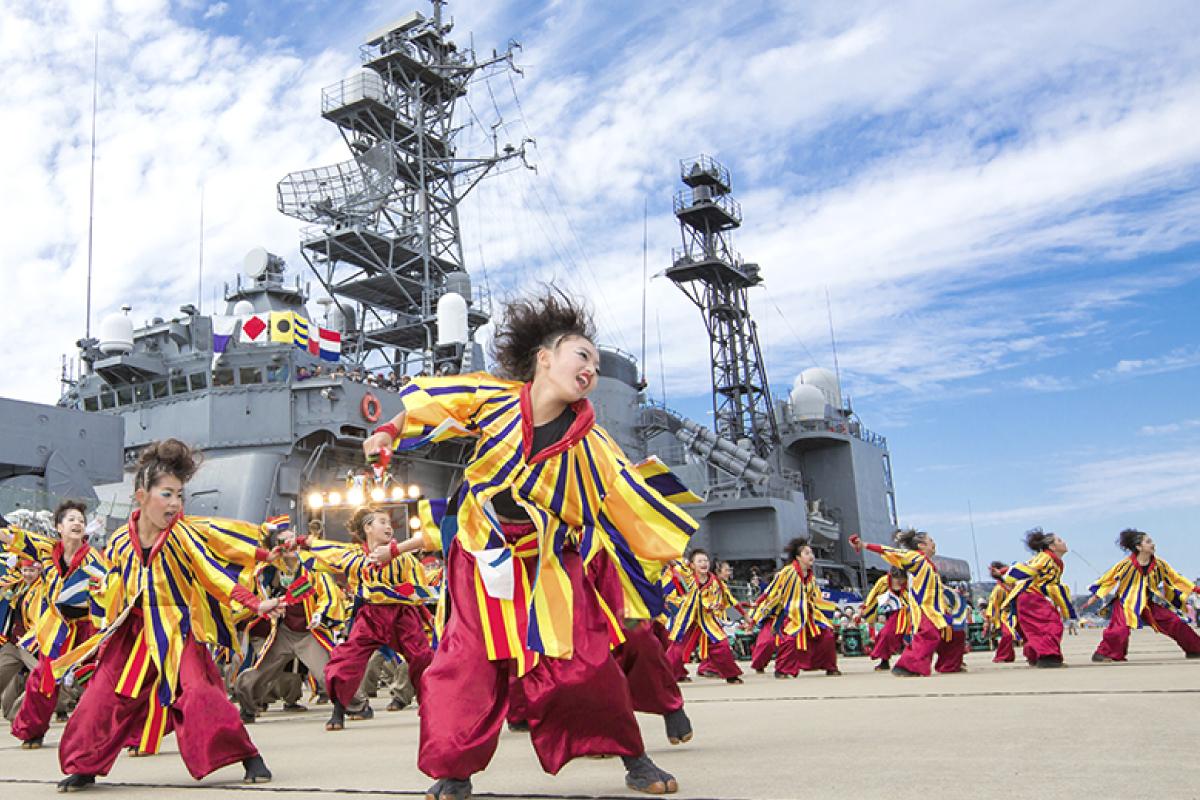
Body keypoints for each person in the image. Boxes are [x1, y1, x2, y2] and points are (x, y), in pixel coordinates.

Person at [364, 290, 694, 799]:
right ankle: (454, 770)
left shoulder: (595, 445)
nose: (591, 368)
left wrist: (653, 565)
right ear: (544, 358)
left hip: (548, 564)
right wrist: (387, 431)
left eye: (596, 364)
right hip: (480, 555)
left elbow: (626, 503)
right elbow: (431, 403)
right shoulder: (492, 399)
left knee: (585, 660)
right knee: (464, 663)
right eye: (582, 355)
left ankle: (633, 756)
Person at [52, 439, 281, 791]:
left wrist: (254, 602)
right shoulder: (117, 542)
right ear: (141, 496)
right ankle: (85, 765)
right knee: (101, 697)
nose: (175, 504)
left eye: (180, 496)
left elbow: (211, 574)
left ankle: (249, 756)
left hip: (177, 628)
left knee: (200, 695)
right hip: (132, 633)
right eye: (167, 494)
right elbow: (110, 586)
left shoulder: (182, 537)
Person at [285, 506, 434, 732]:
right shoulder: (353, 555)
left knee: (422, 658)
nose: (388, 526)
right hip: (370, 616)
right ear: (367, 528)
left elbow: (418, 589)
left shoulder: (405, 558)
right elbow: (326, 548)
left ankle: (431, 707)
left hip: (403, 615)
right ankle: (339, 710)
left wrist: (403, 596)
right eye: (382, 522)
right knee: (345, 661)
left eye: (389, 523)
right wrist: (300, 541)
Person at [0, 500, 107, 749]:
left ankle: (120, 732)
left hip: (88, 629)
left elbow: (107, 593)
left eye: (81, 519)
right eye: (71, 519)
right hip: (58, 629)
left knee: (98, 680)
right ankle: (31, 731)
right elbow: (11, 536)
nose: (78, 523)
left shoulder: (95, 559)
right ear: (59, 526)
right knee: (43, 679)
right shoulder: (47, 550)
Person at [233, 525, 361, 723]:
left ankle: (358, 705)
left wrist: (321, 614)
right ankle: (248, 709)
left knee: (325, 673)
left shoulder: (313, 565)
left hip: (309, 632)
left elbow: (328, 594)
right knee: (258, 673)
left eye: (293, 538)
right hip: (283, 632)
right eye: (284, 541)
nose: (290, 543)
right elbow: (251, 595)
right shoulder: (265, 571)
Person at [849, 530, 958, 677]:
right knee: (928, 635)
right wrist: (864, 545)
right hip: (924, 609)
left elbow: (935, 589)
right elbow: (891, 551)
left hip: (936, 610)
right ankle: (907, 665)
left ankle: (949, 663)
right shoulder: (916, 558)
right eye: (930, 540)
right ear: (921, 545)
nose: (934, 543)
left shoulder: (928, 564)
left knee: (954, 632)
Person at [1084, 529, 1200, 662]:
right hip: (1125, 603)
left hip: (1147, 603)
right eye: (1148, 542)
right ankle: (1103, 654)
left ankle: (1195, 649)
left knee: (1175, 622)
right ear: (1139, 547)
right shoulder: (1126, 564)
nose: (1153, 544)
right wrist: (1094, 597)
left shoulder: (1159, 564)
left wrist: (1195, 589)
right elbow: (1108, 579)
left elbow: (1176, 579)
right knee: (1119, 630)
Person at [750, 537, 840, 678]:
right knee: (778, 640)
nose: (811, 556)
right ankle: (781, 669)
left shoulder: (811, 577)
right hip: (785, 614)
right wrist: (757, 605)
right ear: (798, 557)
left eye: (811, 553)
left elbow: (817, 598)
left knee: (826, 635)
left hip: (806, 615)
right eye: (806, 553)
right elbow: (771, 591)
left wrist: (829, 616)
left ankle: (829, 666)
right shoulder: (787, 572)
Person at [664, 549, 745, 684]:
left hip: (707, 620)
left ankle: (731, 675)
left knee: (722, 645)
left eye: (705, 560)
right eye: (699, 561)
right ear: (692, 565)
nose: (703, 563)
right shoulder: (687, 576)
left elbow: (728, 600)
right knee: (677, 649)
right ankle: (666, 675)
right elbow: (675, 566)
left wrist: (745, 617)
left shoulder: (715, 582)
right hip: (688, 618)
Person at [1002, 528, 1076, 668]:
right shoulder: (1045, 557)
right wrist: (1011, 574)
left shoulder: (1054, 561)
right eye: (1059, 540)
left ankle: (1035, 655)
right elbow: (1031, 568)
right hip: (1031, 597)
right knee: (1051, 625)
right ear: (1052, 547)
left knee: (1036, 628)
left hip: (1033, 597)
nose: (1064, 542)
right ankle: (1048, 657)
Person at [0, 558, 43, 721]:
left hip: (31, 643)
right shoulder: (18, 584)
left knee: (42, 679)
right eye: (25, 570)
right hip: (12, 643)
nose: (28, 574)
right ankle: (13, 714)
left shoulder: (43, 588)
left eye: (32, 570)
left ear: (39, 571)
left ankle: (22, 716)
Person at [860, 567, 914, 671]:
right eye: (896, 578)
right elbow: (873, 594)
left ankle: (910, 662)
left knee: (909, 637)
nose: (898, 581)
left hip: (909, 612)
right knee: (884, 635)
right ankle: (884, 661)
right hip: (892, 613)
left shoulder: (910, 582)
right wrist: (865, 607)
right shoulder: (883, 581)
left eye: (901, 578)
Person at [984, 562, 1017, 663]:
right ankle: (1002, 655)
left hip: (1018, 613)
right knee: (1008, 635)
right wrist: (990, 619)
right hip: (1005, 615)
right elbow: (993, 605)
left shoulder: (1014, 584)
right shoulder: (998, 589)